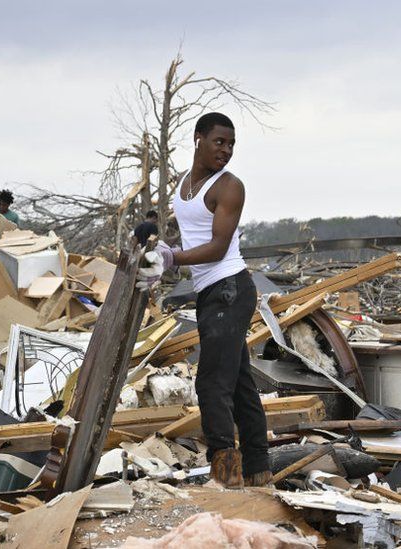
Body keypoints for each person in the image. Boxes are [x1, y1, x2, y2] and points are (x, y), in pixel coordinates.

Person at [145, 112, 270, 488]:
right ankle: (258, 469)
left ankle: (225, 473)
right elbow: (194, 237)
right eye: (219, 142)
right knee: (239, 382)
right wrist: (163, 257)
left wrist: (174, 258)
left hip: (230, 288)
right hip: (210, 292)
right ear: (198, 138)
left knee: (212, 384)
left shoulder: (230, 186)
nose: (226, 150)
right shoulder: (183, 184)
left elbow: (216, 248)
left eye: (231, 144)